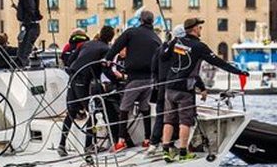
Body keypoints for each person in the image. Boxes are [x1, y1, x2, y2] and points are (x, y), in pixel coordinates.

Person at [160, 17, 247, 162]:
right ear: (194, 29)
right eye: (200, 28)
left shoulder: (176, 42)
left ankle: (165, 151)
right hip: (185, 90)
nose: (201, 30)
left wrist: (167, 44)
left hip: (170, 87)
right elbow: (218, 62)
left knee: (168, 120)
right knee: (185, 121)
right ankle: (183, 152)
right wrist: (239, 72)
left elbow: (163, 57)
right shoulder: (199, 46)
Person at [107, 10, 162, 152]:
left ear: (141, 20)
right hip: (149, 79)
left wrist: (107, 59)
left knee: (124, 108)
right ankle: (147, 139)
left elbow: (117, 46)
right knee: (145, 108)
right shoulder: (156, 38)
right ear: (152, 22)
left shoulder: (131, 32)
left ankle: (121, 140)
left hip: (135, 78)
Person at [57, 25, 116, 157]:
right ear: (111, 38)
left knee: (71, 113)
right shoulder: (106, 49)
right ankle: (88, 145)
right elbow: (106, 69)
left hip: (72, 78)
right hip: (84, 82)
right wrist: (117, 80)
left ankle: (62, 144)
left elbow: (71, 60)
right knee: (93, 112)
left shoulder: (86, 44)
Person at [150, 24, 186, 149]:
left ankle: (154, 142)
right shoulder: (180, 49)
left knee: (161, 114)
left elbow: (153, 67)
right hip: (173, 86)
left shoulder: (159, 49)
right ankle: (171, 142)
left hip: (161, 85)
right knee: (173, 116)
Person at [11, 0, 42, 67]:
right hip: (30, 25)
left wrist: (25, 23)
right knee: (22, 52)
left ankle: (20, 72)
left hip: (30, 26)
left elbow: (30, 9)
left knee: (23, 53)